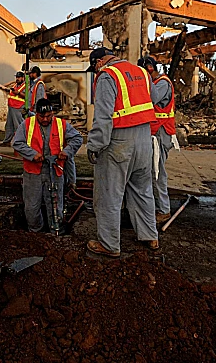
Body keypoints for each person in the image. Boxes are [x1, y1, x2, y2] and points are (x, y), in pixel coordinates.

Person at [85, 48, 159, 257]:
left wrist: (95, 145)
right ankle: (150, 236)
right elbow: (151, 98)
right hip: (144, 139)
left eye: (94, 67)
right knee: (143, 190)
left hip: (119, 141)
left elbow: (103, 116)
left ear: (99, 62)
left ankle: (109, 245)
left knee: (109, 194)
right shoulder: (141, 72)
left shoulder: (107, 76)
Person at [12, 98, 83, 233]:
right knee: (32, 207)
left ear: (52, 113)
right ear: (36, 113)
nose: (45, 119)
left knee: (56, 206)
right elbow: (17, 143)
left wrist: (66, 152)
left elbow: (77, 138)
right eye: (42, 116)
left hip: (55, 171)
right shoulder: (27, 124)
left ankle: (57, 233)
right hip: (33, 173)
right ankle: (35, 232)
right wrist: (32, 154)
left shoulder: (61, 124)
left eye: (48, 116)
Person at [137, 56, 176, 225]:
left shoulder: (162, 83)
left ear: (150, 68)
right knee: (151, 171)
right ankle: (156, 206)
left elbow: (151, 99)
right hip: (155, 131)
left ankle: (163, 210)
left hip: (161, 132)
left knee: (157, 172)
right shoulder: (157, 82)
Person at [2, 71, 26, 146]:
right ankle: (7, 141)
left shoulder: (25, 86)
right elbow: (5, 87)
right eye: (16, 77)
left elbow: (27, 96)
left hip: (18, 107)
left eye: (19, 77)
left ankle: (21, 142)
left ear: (23, 78)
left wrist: (18, 93)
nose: (17, 79)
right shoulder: (15, 85)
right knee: (9, 125)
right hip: (11, 107)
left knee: (18, 125)